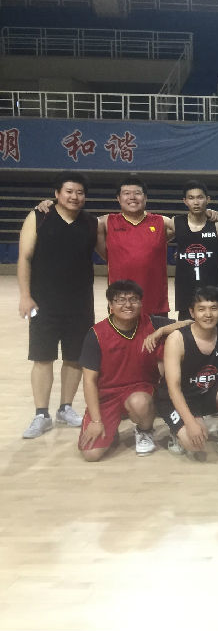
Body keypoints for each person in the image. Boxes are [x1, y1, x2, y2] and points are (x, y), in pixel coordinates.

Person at [19, 172, 96, 439]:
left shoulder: (91, 222)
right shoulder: (39, 216)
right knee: (42, 358)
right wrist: (25, 295)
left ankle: (65, 408)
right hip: (44, 302)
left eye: (80, 192)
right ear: (57, 194)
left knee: (74, 358)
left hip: (80, 303)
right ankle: (41, 414)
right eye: (69, 191)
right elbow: (25, 257)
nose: (75, 197)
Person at [77, 280, 177, 461]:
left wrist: (161, 331)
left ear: (141, 303)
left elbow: (190, 324)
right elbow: (89, 381)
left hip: (141, 391)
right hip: (107, 396)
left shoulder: (152, 323)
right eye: (121, 300)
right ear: (110, 304)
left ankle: (145, 430)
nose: (128, 305)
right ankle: (110, 429)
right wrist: (96, 421)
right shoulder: (96, 334)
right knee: (91, 454)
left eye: (133, 299)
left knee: (140, 402)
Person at [157, 286, 218, 456]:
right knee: (195, 445)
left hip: (205, 395)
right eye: (201, 309)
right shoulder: (177, 339)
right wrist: (190, 423)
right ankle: (177, 430)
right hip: (176, 399)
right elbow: (173, 388)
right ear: (192, 312)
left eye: (213, 308)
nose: (208, 314)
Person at [99, 178, 173, 316]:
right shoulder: (106, 222)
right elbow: (105, 253)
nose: (132, 197)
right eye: (126, 193)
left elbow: (190, 225)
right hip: (121, 302)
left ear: (145, 197)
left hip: (155, 302)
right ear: (118, 198)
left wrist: (208, 213)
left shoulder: (161, 222)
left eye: (137, 193)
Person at [173, 180, 218, 321]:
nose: (196, 202)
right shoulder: (175, 223)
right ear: (185, 201)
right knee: (185, 330)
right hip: (186, 291)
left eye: (200, 197)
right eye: (191, 198)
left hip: (213, 289)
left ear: (208, 199)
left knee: (215, 330)